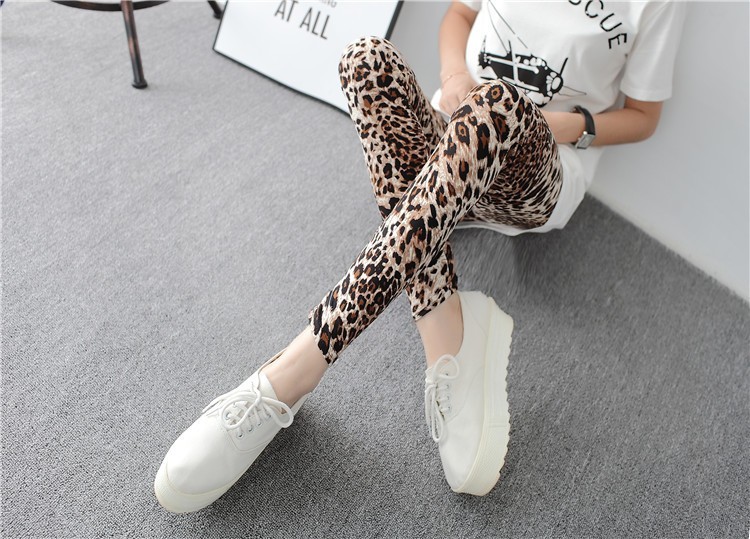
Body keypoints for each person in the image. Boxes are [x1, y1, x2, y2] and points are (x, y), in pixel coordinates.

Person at [154, 0, 686, 512]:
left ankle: (292, 372)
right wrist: (454, 78)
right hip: (449, 145)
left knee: (498, 106)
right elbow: (459, 13)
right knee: (365, 60)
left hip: (534, 172)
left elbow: (643, 116)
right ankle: (446, 326)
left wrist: (559, 124)